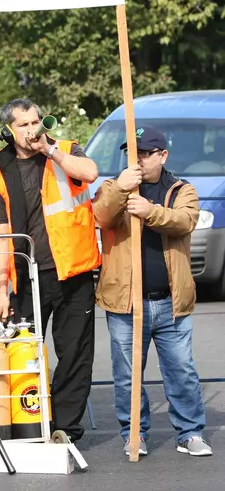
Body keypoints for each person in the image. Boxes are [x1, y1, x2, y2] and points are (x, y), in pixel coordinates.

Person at [92, 125, 211, 457]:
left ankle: (190, 433)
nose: (139, 159)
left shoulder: (181, 189)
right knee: (127, 375)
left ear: (163, 155)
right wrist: (121, 189)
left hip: (171, 303)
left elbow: (185, 221)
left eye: (146, 153)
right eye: (133, 153)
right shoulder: (113, 187)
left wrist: (149, 211)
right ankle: (134, 433)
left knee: (182, 371)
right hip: (126, 303)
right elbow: (101, 216)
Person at [0, 98, 100, 444]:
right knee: (22, 352)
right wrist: (2, 287)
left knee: (75, 355)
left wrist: (50, 150)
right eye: (23, 125)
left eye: (35, 121)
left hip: (73, 272)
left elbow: (90, 173)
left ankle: (64, 429)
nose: (32, 129)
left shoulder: (64, 150)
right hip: (28, 276)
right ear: (8, 131)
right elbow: (0, 233)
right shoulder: (0, 174)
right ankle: (29, 423)